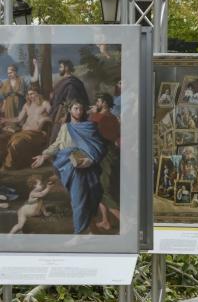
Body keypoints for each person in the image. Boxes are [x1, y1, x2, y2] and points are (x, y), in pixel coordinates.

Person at [32, 101, 105, 234]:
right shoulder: (65, 127)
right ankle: (89, 232)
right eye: (76, 108)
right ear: (70, 110)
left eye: (81, 109)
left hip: (86, 167)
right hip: (69, 166)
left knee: (81, 200)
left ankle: (80, 234)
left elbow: (99, 146)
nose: (79, 111)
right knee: (79, 200)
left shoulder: (89, 126)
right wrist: (44, 155)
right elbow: (58, 144)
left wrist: (90, 160)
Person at [89, 93, 121, 231]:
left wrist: (94, 115)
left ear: (105, 104)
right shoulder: (109, 117)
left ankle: (123, 221)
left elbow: (92, 132)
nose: (96, 102)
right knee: (99, 189)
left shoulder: (104, 117)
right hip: (102, 154)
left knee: (104, 190)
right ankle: (105, 221)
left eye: (99, 100)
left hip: (104, 156)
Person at [1, 86, 52, 169]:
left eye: (32, 94)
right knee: (8, 140)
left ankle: (8, 166)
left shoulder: (45, 104)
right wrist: (5, 119)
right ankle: (8, 165)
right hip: (24, 132)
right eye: (28, 94)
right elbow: (18, 119)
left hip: (36, 134)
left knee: (16, 143)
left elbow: (53, 117)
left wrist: (44, 119)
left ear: (38, 94)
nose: (30, 96)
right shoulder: (27, 105)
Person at [49, 60, 89, 144]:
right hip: (59, 115)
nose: (59, 69)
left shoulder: (71, 83)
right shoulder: (63, 81)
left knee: (62, 140)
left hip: (65, 117)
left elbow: (72, 102)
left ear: (66, 68)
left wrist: (66, 116)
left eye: (61, 67)